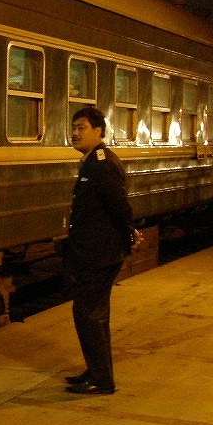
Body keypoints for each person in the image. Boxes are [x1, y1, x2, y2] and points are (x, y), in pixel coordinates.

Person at [63, 106, 139, 395]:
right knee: (95, 315)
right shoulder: (92, 162)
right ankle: (96, 370)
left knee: (87, 314)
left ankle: (102, 380)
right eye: (74, 127)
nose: (75, 132)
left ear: (99, 131)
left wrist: (129, 231)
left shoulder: (103, 163)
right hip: (95, 253)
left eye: (81, 127)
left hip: (99, 255)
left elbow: (119, 206)